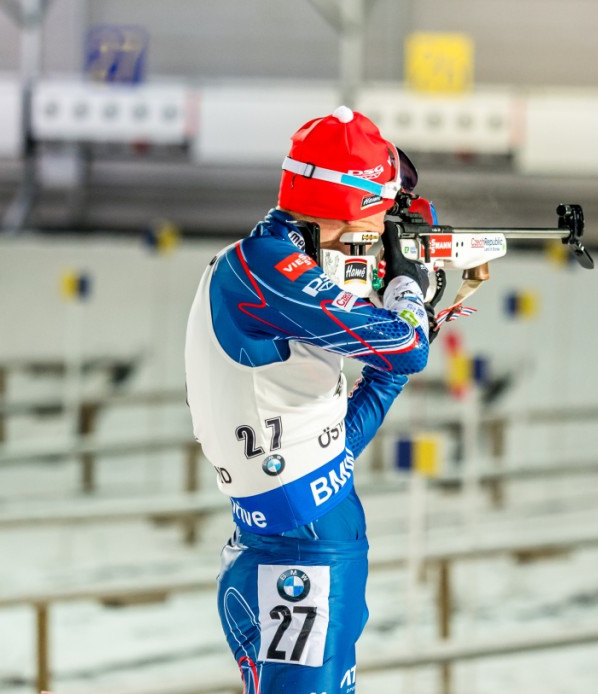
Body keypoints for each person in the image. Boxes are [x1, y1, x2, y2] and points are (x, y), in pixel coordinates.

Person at [184, 105, 436, 694]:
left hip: (294, 537)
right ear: (350, 212)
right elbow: (404, 342)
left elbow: (326, 441)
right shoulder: (262, 269)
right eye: (377, 229)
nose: (378, 246)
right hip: (302, 553)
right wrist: (406, 293)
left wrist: (402, 346)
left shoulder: (262, 268)